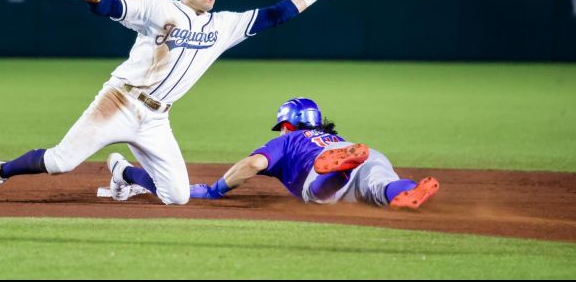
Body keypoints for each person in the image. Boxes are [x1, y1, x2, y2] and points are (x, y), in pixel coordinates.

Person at [0, 0, 340, 204]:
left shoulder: (226, 25)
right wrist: (98, 1)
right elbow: (117, 7)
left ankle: (122, 172)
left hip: (158, 118)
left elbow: (276, 14)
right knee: (61, 161)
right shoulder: (159, 7)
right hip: (119, 102)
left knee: (177, 196)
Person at [175, 97, 439, 209]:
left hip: (324, 165)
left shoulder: (289, 140)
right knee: (383, 187)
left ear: (287, 125)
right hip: (366, 153)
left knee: (316, 195)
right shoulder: (334, 137)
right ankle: (410, 188)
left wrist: (216, 189)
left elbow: (254, 163)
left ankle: (341, 171)